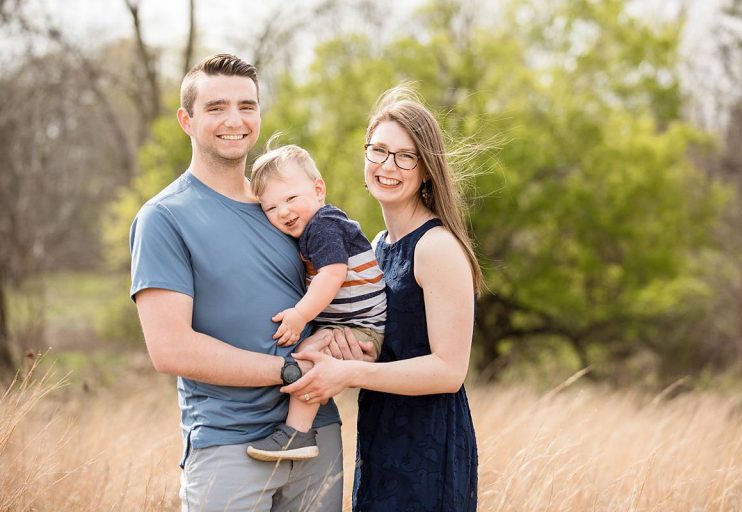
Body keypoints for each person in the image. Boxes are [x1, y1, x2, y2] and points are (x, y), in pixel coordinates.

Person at [129, 54, 356, 512]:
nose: (234, 120)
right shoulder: (164, 217)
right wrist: (292, 371)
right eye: (215, 108)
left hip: (316, 435)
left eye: (246, 106)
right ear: (186, 120)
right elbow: (169, 349)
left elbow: (339, 288)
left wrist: (343, 343)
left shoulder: (287, 209)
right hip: (228, 446)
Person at [282, 86, 482, 512]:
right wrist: (342, 346)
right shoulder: (376, 245)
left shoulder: (436, 247)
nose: (388, 166)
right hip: (381, 434)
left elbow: (449, 370)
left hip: (429, 446)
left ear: (427, 169)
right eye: (378, 151)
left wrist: (349, 373)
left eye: (405, 156)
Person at [245, 141, 386, 461]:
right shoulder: (314, 227)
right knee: (306, 353)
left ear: (318, 189)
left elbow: (333, 274)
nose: (283, 211)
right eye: (270, 207)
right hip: (353, 324)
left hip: (360, 328)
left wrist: (299, 314)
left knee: (308, 357)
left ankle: (297, 433)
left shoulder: (322, 225)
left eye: (291, 198)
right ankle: (297, 429)